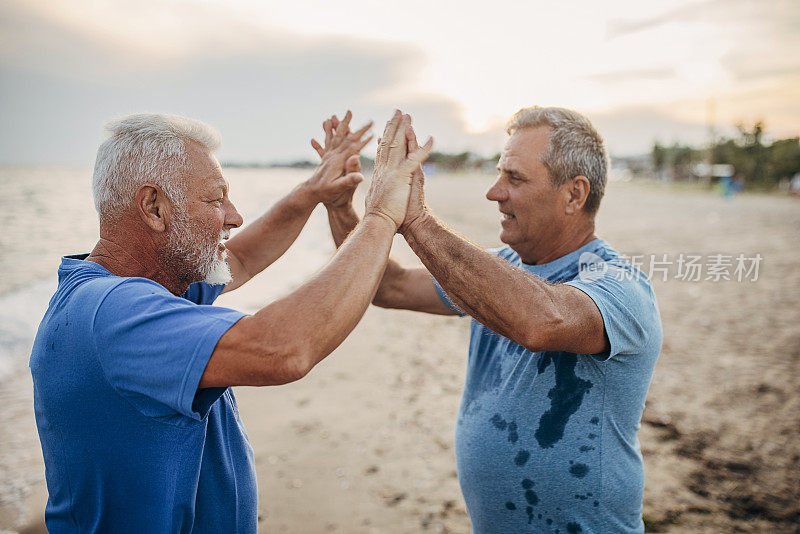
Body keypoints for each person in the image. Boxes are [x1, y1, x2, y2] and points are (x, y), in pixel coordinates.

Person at [29, 110, 431, 533]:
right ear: (154, 207)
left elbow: (240, 258)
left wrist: (313, 191)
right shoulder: (112, 312)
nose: (234, 216)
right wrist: (381, 218)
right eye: (216, 199)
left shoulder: (160, 287)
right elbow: (284, 349)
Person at [325, 106, 662, 533]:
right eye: (499, 173)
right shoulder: (496, 270)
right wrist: (340, 207)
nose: (493, 192)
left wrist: (414, 220)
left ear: (575, 195)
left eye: (515, 178)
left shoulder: (620, 285)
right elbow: (388, 287)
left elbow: (543, 322)